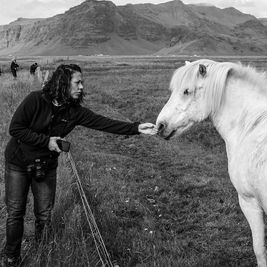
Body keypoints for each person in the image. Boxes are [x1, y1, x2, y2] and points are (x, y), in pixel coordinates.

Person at [2, 64, 157, 266]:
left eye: (82, 82)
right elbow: (15, 128)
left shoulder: (74, 112)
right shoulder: (35, 99)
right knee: (15, 213)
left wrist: (136, 128)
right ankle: (11, 257)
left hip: (46, 166)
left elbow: (104, 122)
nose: (82, 87)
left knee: (44, 214)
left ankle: (43, 254)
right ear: (63, 83)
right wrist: (46, 141)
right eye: (78, 82)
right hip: (18, 163)